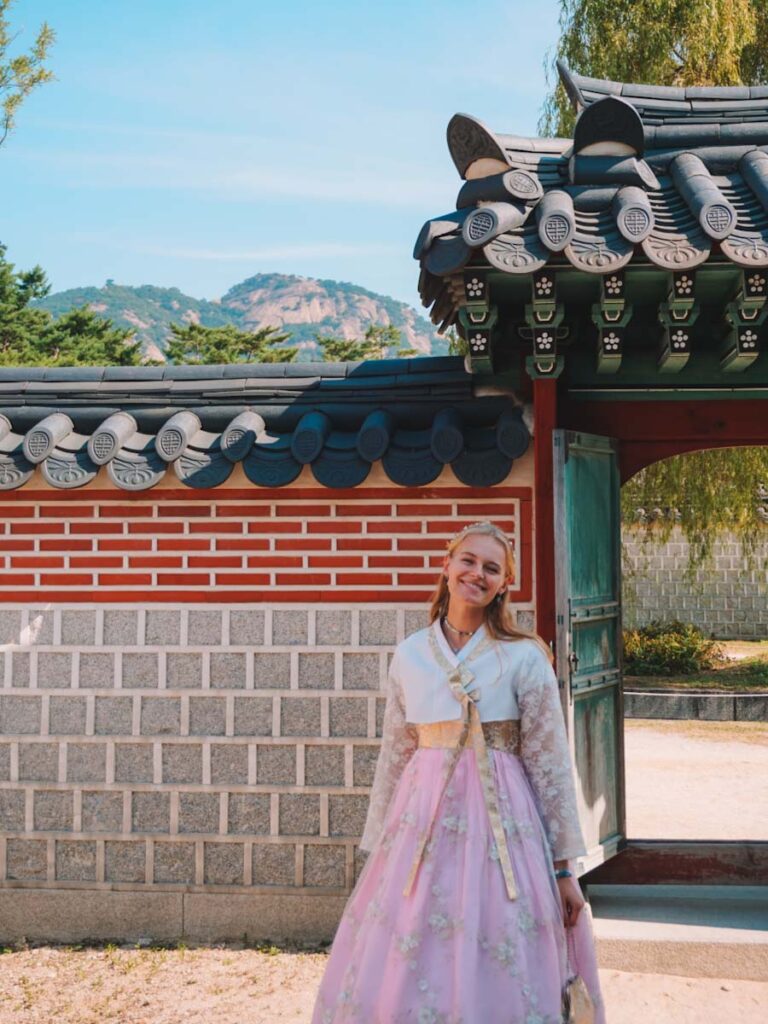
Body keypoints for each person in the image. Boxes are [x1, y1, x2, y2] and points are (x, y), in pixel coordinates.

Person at [312, 521, 605, 1023]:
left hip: (504, 829)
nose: (477, 573)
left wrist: (563, 869)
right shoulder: (409, 655)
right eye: (468, 560)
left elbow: (550, 763)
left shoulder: (524, 656)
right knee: (413, 941)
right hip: (421, 825)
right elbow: (396, 754)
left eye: (492, 568)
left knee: (499, 936)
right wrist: (383, 849)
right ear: (446, 566)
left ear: (504, 583)